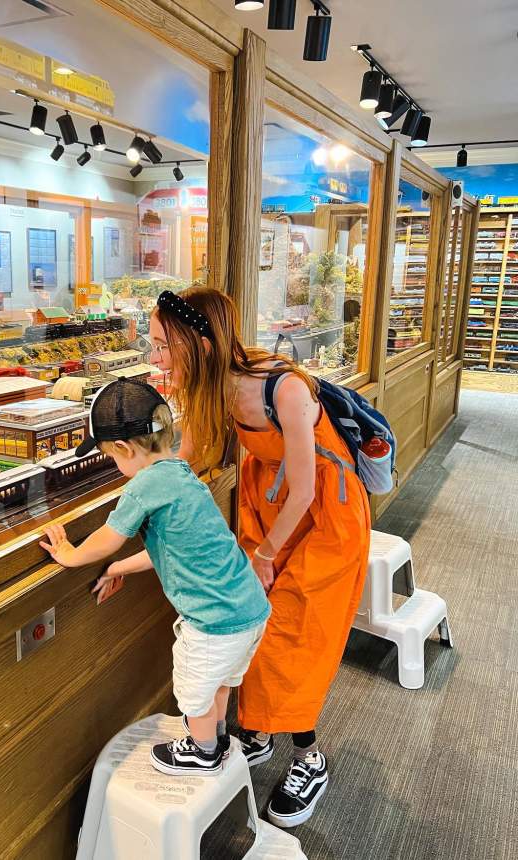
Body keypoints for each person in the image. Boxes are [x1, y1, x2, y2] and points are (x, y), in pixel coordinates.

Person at [150, 288, 371, 828]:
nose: (154, 357)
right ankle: (257, 729)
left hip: (323, 515)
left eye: (161, 345)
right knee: (247, 625)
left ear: (196, 343)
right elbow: (187, 457)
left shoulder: (285, 389)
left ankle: (309, 758)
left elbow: (304, 491)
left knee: (292, 636)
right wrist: (142, 485)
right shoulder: (212, 388)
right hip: (266, 505)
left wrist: (267, 556)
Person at [40, 377, 271, 777]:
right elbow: (168, 550)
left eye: (112, 457)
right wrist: (117, 569)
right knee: (218, 682)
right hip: (249, 609)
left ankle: (202, 751)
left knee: (193, 687)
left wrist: (71, 554)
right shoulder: (180, 473)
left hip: (213, 622)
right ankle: (213, 736)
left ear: (125, 449)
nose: (116, 466)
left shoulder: (143, 487)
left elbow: (109, 538)